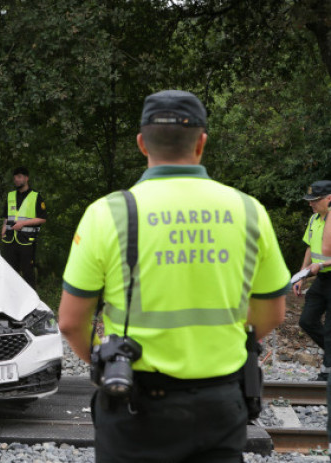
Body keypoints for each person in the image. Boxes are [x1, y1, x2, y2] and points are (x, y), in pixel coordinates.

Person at [58, 90, 289, 463]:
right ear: (202, 143)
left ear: (140, 143)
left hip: (135, 400)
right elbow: (272, 314)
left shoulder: (108, 214)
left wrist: (104, 360)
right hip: (221, 402)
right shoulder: (249, 211)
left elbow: (70, 322)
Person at [293, 180, 331, 382]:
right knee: (307, 320)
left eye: (315, 200)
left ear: (329, 198)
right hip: (321, 278)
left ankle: (327, 372)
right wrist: (302, 275)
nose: (311, 204)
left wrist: (322, 265)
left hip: (325, 272)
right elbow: (309, 248)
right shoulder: (314, 219)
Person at [1, 166, 46, 288]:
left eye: (19, 177)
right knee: (9, 272)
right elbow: (6, 217)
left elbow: (42, 218)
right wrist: (3, 231)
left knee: (28, 273)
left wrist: (23, 224)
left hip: (26, 240)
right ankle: (12, 302)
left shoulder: (36, 196)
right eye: (15, 177)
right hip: (9, 240)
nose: (16, 179)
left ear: (26, 178)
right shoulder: (10, 196)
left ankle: (32, 303)